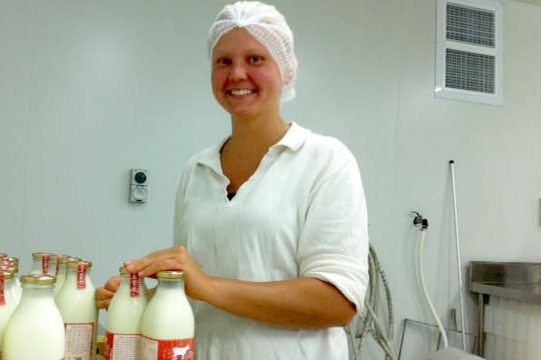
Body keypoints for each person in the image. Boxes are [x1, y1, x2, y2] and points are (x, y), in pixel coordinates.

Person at [95, 1, 369, 358]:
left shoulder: (326, 162)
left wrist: (208, 286)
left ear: (285, 70)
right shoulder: (197, 170)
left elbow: (337, 303)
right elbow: (192, 293)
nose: (237, 73)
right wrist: (143, 299)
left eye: (255, 59)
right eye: (224, 61)